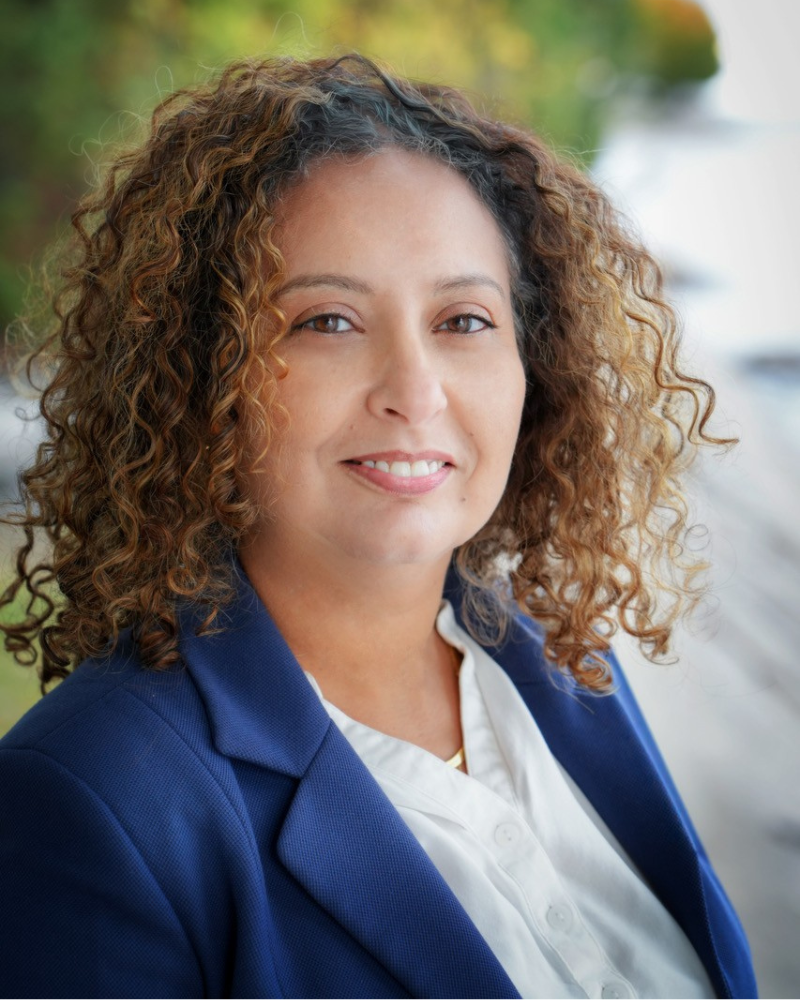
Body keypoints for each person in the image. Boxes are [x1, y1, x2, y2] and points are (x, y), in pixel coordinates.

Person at [0, 54, 756, 999]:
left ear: (537, 365)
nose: (415, 391)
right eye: (327, 321)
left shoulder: (565, 664)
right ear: (203, 378)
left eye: (464, 320)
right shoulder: (95, 798)